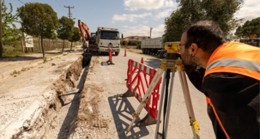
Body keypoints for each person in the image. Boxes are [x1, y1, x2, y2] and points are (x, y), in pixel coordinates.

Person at [179, 20, 260, 139]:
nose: (179, 50)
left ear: (192, 49)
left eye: (181, 46)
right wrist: (188, 66)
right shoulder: (236, 51)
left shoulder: (219, 79)